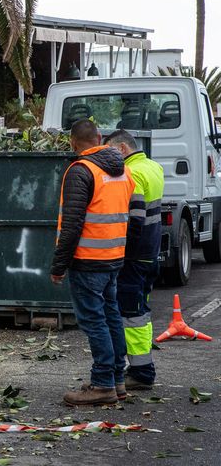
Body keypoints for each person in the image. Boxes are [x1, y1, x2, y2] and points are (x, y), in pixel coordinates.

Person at [51, 119, 135, 406]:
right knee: (111, 316)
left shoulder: (81, 170)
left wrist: (58, 266)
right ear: (99, 138)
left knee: (94, 321)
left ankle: (102, 385)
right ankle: (116, 380)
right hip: (113, 257)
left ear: (73, 142)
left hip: (88, 260)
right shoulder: (122, 170)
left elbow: (72, 224)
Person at [105, 130, 164, 391]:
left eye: (109, 151)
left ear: (121, 149)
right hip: (151, 252)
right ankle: (142, 367)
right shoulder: (153, 167)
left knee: (132, 314)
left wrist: (121, 252)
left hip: (135, 256)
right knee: (142, 311)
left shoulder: (131, 174)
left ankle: (141, 372)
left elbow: (135, 219)